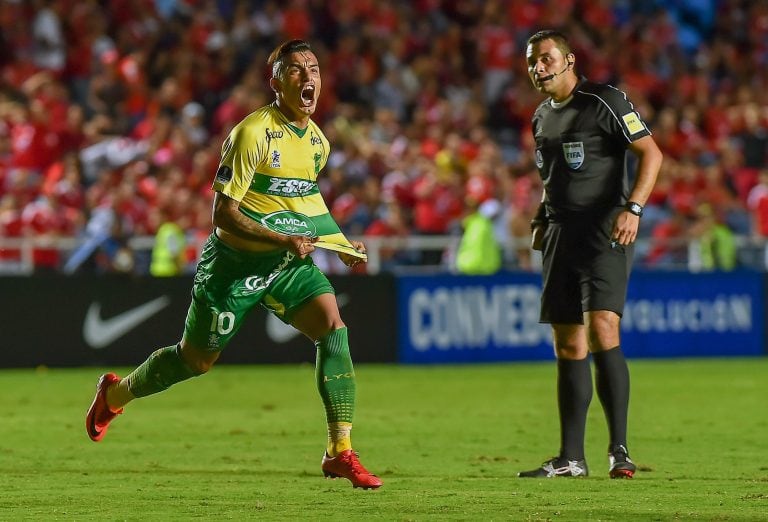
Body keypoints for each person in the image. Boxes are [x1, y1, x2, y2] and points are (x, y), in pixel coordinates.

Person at [85, 39, 382, 490]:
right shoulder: (252, 133)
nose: (308, 77)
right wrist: (284, 237)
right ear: (276, 82)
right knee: (195, 361)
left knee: (333, 328)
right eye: (296, 70)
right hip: (231, 266)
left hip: (283, 265)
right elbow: (223, 213)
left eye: (314, 68)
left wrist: (337, 242)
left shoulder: (318, 142)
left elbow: (305, 203)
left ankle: (340, 450)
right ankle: (115, 393)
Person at [518, 30, 663, 479]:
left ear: (569, 60)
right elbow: (552, 178)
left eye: (545, 59)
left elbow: (651, 154)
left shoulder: (605, 100)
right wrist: (542, 218)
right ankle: (571, 458)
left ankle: (619, 450)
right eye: (531, 62)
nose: (537, 68)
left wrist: (634, 208)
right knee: (568, 341)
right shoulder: (541, 117)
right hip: (560, 234)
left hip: (605, 229)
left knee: (603, 326)